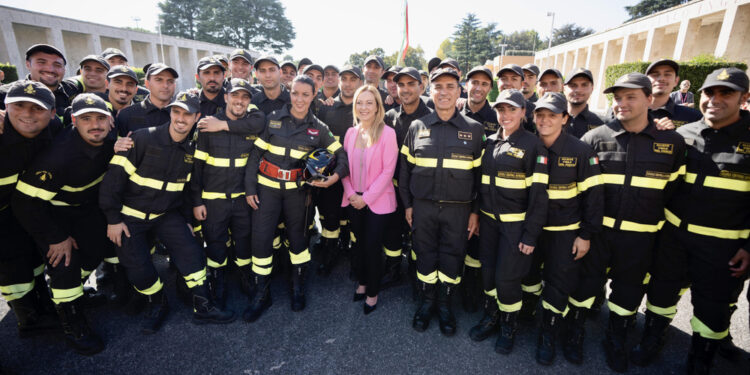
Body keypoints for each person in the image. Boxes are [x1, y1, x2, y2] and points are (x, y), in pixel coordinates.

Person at [633, 68, 750, 374]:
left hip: (724, 246)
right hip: (674, 236)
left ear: (744, 98)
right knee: (661, 293)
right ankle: (653, 337)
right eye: (710, 93)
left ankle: (701, 359)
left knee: (713, 308)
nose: (716, 100)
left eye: (727, 93)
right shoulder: (681, 135)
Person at [569, 73, 686, 372]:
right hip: (597, 234)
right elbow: (580, 192)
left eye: (630, 96)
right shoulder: (595, 138)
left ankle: (615, 339)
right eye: (618, 98)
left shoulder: (671, 142)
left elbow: (672, 191)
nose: (622, 103)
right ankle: (574, 332)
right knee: (584, 287)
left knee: (628, 293)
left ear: (650, 99)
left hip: (641, 238)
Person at [100, 91, 235, 334]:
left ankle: (203, 305)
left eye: (187, 114)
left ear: (197, 117)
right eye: (176, 112)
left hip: (167, 215)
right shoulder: (141, 139)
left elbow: (187, 190)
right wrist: (113, 219)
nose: (181, 118)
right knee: (138, 269)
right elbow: (112, 183)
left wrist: (186, 221)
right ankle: (157, 303)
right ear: (170, 113)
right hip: (131, 216)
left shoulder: (192, 149)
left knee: (192, 252)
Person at [12, 94, 119, 355]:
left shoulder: (112, 142)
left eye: (100, 118)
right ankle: (72, 323)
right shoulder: (58, 156)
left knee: (94, 251)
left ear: (111, 121)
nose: (95, 125)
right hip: (52, 215)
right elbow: (25, 203)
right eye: (86, 119)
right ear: (73, 121)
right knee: (65, 263)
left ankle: (72, 293)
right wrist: (55, 237)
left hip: (86, 210)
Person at [243, 75, 348, 322]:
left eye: (305, 94)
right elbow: (254, 155)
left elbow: (341, 155)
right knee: (261, 242)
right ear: (289, 93)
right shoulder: (272, 120)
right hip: (266, 190)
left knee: (299, 241)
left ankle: (297, 287)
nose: (299, 99)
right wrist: (249, 189)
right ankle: (261, 293)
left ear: (314, 96)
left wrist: (334, 177)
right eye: (295, 93)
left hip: (298, 193)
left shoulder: (319, 128)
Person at [400, 68, 484, 337]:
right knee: (424, 254)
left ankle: (445, 305)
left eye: (450, 86)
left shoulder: (474, 129)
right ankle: (427, 303)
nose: (444, 92)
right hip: (423, 207)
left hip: (458, 210)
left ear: (459, 91)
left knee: (452, 256)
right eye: (438, 87)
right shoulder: (417, 127)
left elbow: (481, 178)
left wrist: (474, 212)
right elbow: (404, 172)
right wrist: (409, 206)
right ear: (430, 91)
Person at [467, 89, 548, 355]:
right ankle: (491, 317)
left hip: (516, 226)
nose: (505, 115)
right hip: (489, 223)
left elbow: (539, 197)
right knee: (488, 273)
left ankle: (508, 326)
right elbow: (481, 184)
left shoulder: (534, 145)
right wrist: (477, 213)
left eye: (512, 109)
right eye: (501, 110)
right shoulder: (489, 142)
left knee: (507, 279)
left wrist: (530, 235)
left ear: (524, 112)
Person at [527, 92, 604, 365]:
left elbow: (594, 199)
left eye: (552, 115)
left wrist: (585, 235)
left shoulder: (581, 151)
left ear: (565, 118)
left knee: (558, 286)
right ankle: (527, 319)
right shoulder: (528, 145)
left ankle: (548, 333)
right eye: (540, 114)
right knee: (529, 279)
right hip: (531, 232)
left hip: (565, 232)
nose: (545, 120)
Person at [191, 78, 266, 308]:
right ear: (226, 98)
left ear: (249, 102)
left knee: (244, 241)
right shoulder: (207, 125)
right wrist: (196, 201)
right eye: (235, 96)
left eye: (244, 97)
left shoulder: (253, 123)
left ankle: (244, 276)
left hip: (242, 198)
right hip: (213, 200)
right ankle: (218, 281)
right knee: (215, 242)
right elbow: (196, 168)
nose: (239, 101)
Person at [0, 80, 60, 338]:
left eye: (37, 108)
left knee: (32, 256)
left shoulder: (54, 129)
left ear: (52, 113)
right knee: (10, 264)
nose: (27, 114)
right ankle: (28, 317)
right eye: (19, 106)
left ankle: (41, 302)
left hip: (21, 206)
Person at [342, 85, 398, 314]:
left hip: (377, 202)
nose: (363, 107)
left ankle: (372, 293)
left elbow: (388, 171)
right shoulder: (350, 133)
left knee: (373, 247)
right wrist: (352, 194)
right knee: (360, 245)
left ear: (377, 107)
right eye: (359, 102)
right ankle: (363, 282)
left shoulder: (388, 133)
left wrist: (366, 198)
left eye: (369, 103)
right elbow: (343, 168)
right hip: (354, 198)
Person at [383, 67, 433, 296]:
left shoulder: (432, 117)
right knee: (392, 232)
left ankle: (416, 274)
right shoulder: (390, 116)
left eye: (411, 84)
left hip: (420, 191)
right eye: (400, 84)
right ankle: (393, 271)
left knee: (419, 236)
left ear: (421, 87)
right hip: (393, 188)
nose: (405, 89)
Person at [314, 66, 363, 276]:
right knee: (330, 217)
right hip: (332, 173)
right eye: (344, 79)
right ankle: (330, 253)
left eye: (353, 79)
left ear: (360, 83)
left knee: (355, 219)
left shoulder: (364, 109)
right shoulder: (326, 109)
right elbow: (318, 142)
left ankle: (356, 258)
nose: (348, 83)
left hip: (359, 175)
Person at [459, 66, 499, 313]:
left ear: (490, 89)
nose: (478, 87)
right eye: (474, 82)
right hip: (456, 191)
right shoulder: (452, 110)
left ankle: (471, 290)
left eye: (484, 84)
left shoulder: (498, 117)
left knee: (475, 246)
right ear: (466, 85)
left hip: (483, 191)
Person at [114, 63, 177, 137]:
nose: (165, 85)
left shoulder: (184, 114)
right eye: (159, 80)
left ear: (175, 85)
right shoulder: (126, 115)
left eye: (170, 81)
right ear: (147, 83)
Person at [645, 59, 703, 129]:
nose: (661, 78)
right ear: (646, 80)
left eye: (667, 74)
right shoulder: (631, 113)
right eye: (655, 74)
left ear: (676, 81)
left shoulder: (694, 117)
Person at [562, 68, 605, 138]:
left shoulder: (602, 124)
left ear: (592, 89)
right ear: (564, 89)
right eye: (573, 85)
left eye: (584, 85)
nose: (578, 90)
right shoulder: (553, 120)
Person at [496, 64, 536, 133]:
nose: (508, 83)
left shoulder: (533, 111)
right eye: (504, 78)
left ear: (522, 84)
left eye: (514, 79)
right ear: (497, 83)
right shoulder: (490, 110)